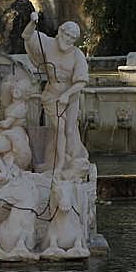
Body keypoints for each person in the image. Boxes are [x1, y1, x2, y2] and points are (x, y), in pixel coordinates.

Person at [22, 10, 89, 177]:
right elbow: (27, 36)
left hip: (71, 96)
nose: (68, 40)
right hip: (52, 94)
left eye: (73, 39)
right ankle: (58, 166)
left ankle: (67, 159)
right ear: (60, 32)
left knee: (70, 131)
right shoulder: (47, 43)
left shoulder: (77, 55)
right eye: (67, 36)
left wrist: (67, 95)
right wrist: (32, 21)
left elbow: (81, 81)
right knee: (59, 128)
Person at [0, 76, 33, 185]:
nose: (16, 91)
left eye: (20, 90)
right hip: (10, 132)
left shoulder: (20, 107)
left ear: (25, 93)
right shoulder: (14, 105)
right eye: (15, 88)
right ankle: (4, 169)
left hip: (13, 134)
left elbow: (6, 124)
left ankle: (4, 172)